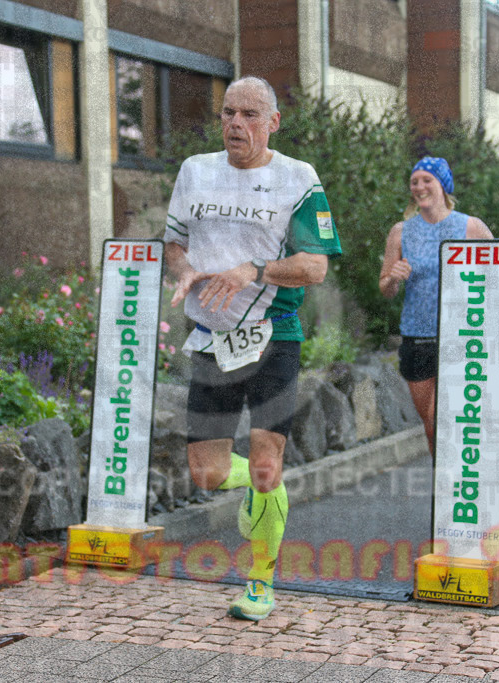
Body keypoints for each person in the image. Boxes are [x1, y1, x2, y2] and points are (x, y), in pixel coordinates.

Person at [163, 76, 341, 621]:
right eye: (227, 113)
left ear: (272, 122)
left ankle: (259, 581)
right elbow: (173, 243)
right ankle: (261, 490)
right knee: (207, 473)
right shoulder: (195, 171)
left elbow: (315, 266)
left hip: (273, 335)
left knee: (267, 462)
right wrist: (186, 270)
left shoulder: (299, 179)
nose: (235, 123)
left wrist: (253, 270)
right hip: (212, 341)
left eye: (248, 114)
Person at [378, 157, 493, 456]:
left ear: (443, 185)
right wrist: (394, 278)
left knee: (449, 417)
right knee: (430, 423)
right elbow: (386, 289)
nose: (419, 186)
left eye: (426, 180)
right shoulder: (401, 231)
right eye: (414, 181)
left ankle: (461, 479)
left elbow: (497, 277)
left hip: (462, 335)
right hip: (418, 335)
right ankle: (443, 484)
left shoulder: (470, 227)